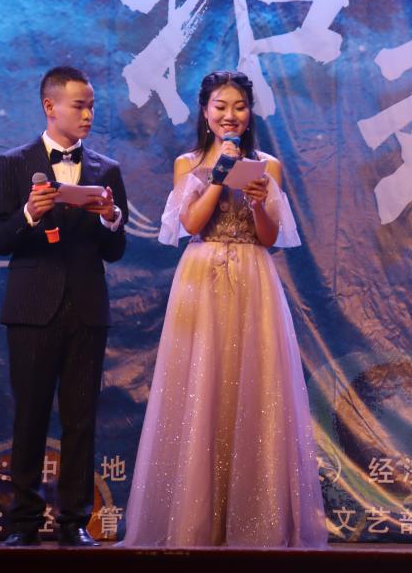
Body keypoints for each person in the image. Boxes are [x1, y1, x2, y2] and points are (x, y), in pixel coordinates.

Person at [121, 70, 326, 548]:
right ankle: (195, 523)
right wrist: (217, 177)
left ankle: (254, 522)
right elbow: (191, 223)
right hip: (201, 277)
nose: (230, 115)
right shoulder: (188, 162)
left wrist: (257, 202)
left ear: (250, 113)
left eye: (239, 106)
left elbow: (269, 238)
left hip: (253, 278)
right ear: (205, 111)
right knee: (200, 386)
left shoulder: (268, 166)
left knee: (254, 388)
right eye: (220, 106)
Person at [0, 66, 128, 547]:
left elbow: (115, 251)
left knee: (80, 418)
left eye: (92, 106)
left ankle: (74, 522)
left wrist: (110, 217)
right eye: (79, 106)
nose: (88, 115)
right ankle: (24, 522)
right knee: (29, 416)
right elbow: (0, 239)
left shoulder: (106, 170)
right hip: (32, 308)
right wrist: (31, 212)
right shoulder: (14, 163)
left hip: (87, 309)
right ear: (50, 107)